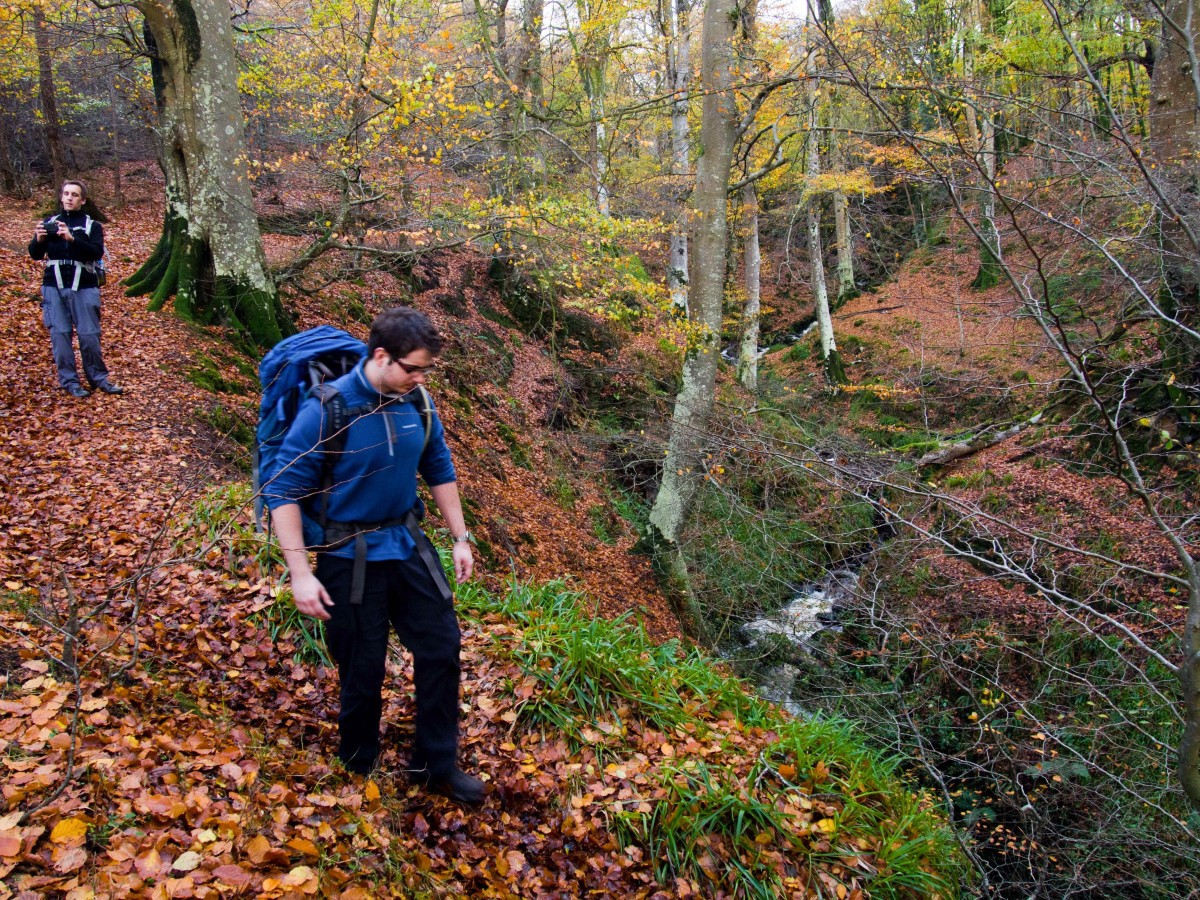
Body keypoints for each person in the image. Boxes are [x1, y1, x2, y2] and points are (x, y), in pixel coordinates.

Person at [265, 307, 483, 805]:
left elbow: (438, 466)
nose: (421, 378)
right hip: (348, 555)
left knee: (441, 646)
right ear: (381, 355)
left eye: (427, 370)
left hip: (406, 544)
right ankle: (358, 762)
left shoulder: (418, 402)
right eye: (414, 368)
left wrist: (460, 537)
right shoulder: (328, 410)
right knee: (362, 666)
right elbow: (284, 492)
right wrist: (300, 574)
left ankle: (435, 765)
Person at [28, 180, 123, 398]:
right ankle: (70, 382)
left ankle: (99, 379)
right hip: (54, 286)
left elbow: (96, 252)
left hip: (84, 286)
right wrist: (39, 239)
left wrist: (71, 239)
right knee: (60, 334)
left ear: (83, 200)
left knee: (89, 335)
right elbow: (35, 254)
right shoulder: (50, 222)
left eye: (75, 195)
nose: (69, 198)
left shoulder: (92, 226)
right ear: (61, 197)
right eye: (66, 194)